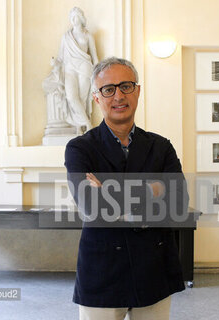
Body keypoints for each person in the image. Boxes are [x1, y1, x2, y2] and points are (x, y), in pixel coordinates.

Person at [64, 57, 188, 320]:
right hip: (102, 272)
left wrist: (109, 190)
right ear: (97, 98)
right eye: (108, 89)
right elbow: (91, 207)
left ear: (138, 91)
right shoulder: (79, 148)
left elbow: (179, 204)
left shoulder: (161, 146)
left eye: (126, 86)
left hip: (154, 268)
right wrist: (154, 190)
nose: (118, 95)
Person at [58, 7, 98, 133]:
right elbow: (60, 57)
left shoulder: (88, 36)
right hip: (69, 68)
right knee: (71, 97)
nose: (74, 20)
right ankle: (87, 123)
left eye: (76, 17)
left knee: (82, 98)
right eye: (72, 17)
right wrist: (54, 62)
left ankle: (79, 127)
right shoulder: (66, 37)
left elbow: (95, 57)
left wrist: (98, 75)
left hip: (84, 68)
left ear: (81, 18)